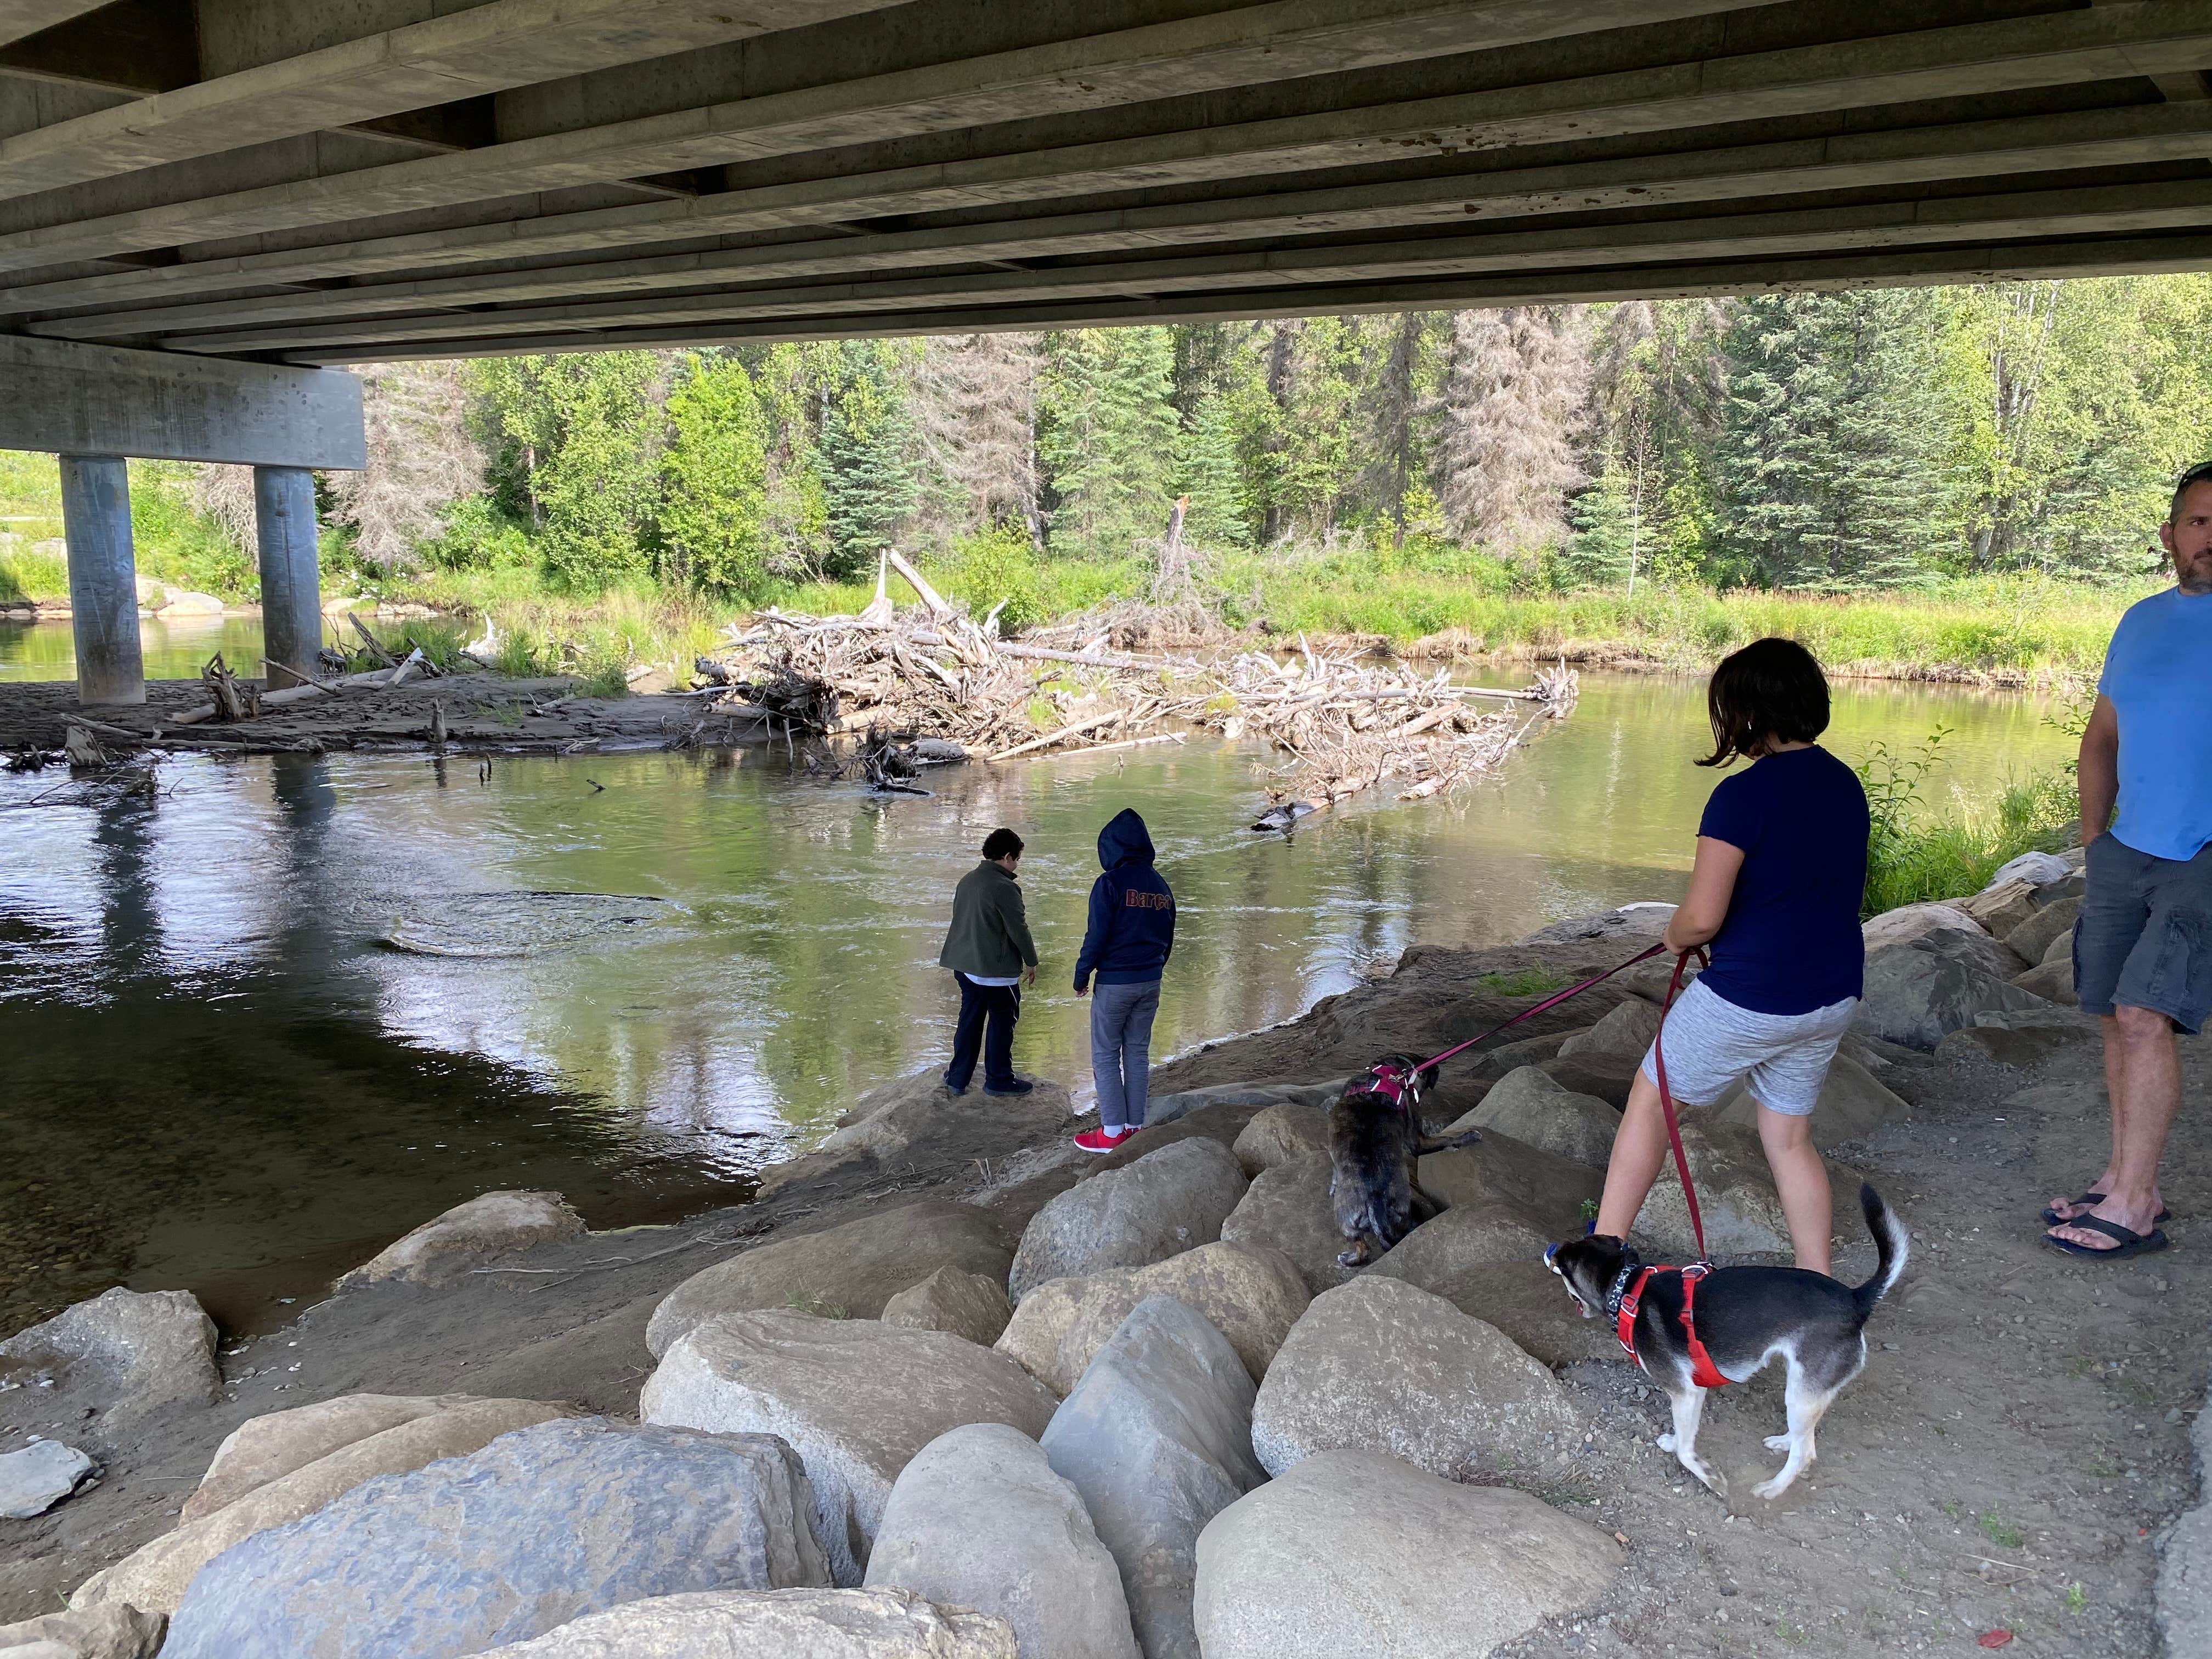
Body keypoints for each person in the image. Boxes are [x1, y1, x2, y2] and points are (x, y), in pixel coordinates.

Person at [1593, 637, 1870, 1275]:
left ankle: (1602, 1254)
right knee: (1789, 1138)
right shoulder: (1843, 782)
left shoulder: (1742, 796)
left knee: (1651, 1101)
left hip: (1753, 996)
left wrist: (1678, 935)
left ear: (1747, 713)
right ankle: (1816, 1281)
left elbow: (1702, 915)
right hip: (1831, 993)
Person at [2044, 462, 2212, 1259]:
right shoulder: (2140, 622)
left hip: (2200, 860)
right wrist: (2092, 838)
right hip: (2125, 851)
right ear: (2171, 536)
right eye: (2200, 522)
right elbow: (2102, 736)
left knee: (2148, 1018)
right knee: (2115, 1016)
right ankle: (2119, 1176)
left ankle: (2138, 1206)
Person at [1071, 808, 1176, 1153]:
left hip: (1116, 982)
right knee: (1136, 1052)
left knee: (1105, 1054)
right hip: (1151, 980)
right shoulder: (1161, 885)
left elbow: (1096, 935)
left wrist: (1082, 973)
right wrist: (1155, 968)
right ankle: (1135, 1126)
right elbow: (1169, 936)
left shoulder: (1109, 884)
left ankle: (1112, 1133)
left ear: (1111, 847)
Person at [939, 827, 1039, 1097]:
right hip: (994, 971)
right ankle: (998, 1080)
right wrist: (1031, 961)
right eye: (1016, 859)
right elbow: (1018, 928)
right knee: (1002, 1023)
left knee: (969, 1021)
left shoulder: (968, 880)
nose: (1016, 864)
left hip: (964, 966)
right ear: (1007, 856)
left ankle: (957, 1079)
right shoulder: (1005, 887)